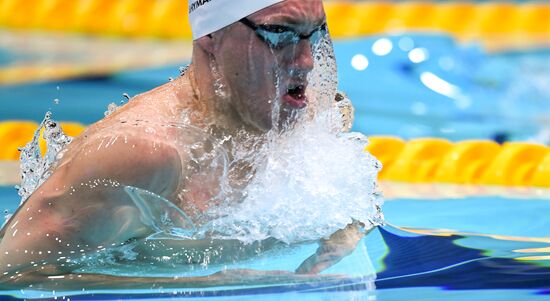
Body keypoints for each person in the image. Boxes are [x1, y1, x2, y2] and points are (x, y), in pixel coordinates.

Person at [0, 0, 368, 290]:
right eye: (278, 33)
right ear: (211, 35)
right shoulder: (142, 153)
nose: (305, 62)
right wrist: (206, 286)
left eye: (314, 33)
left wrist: (343, 235)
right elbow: (11, 273)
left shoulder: (309, 110)